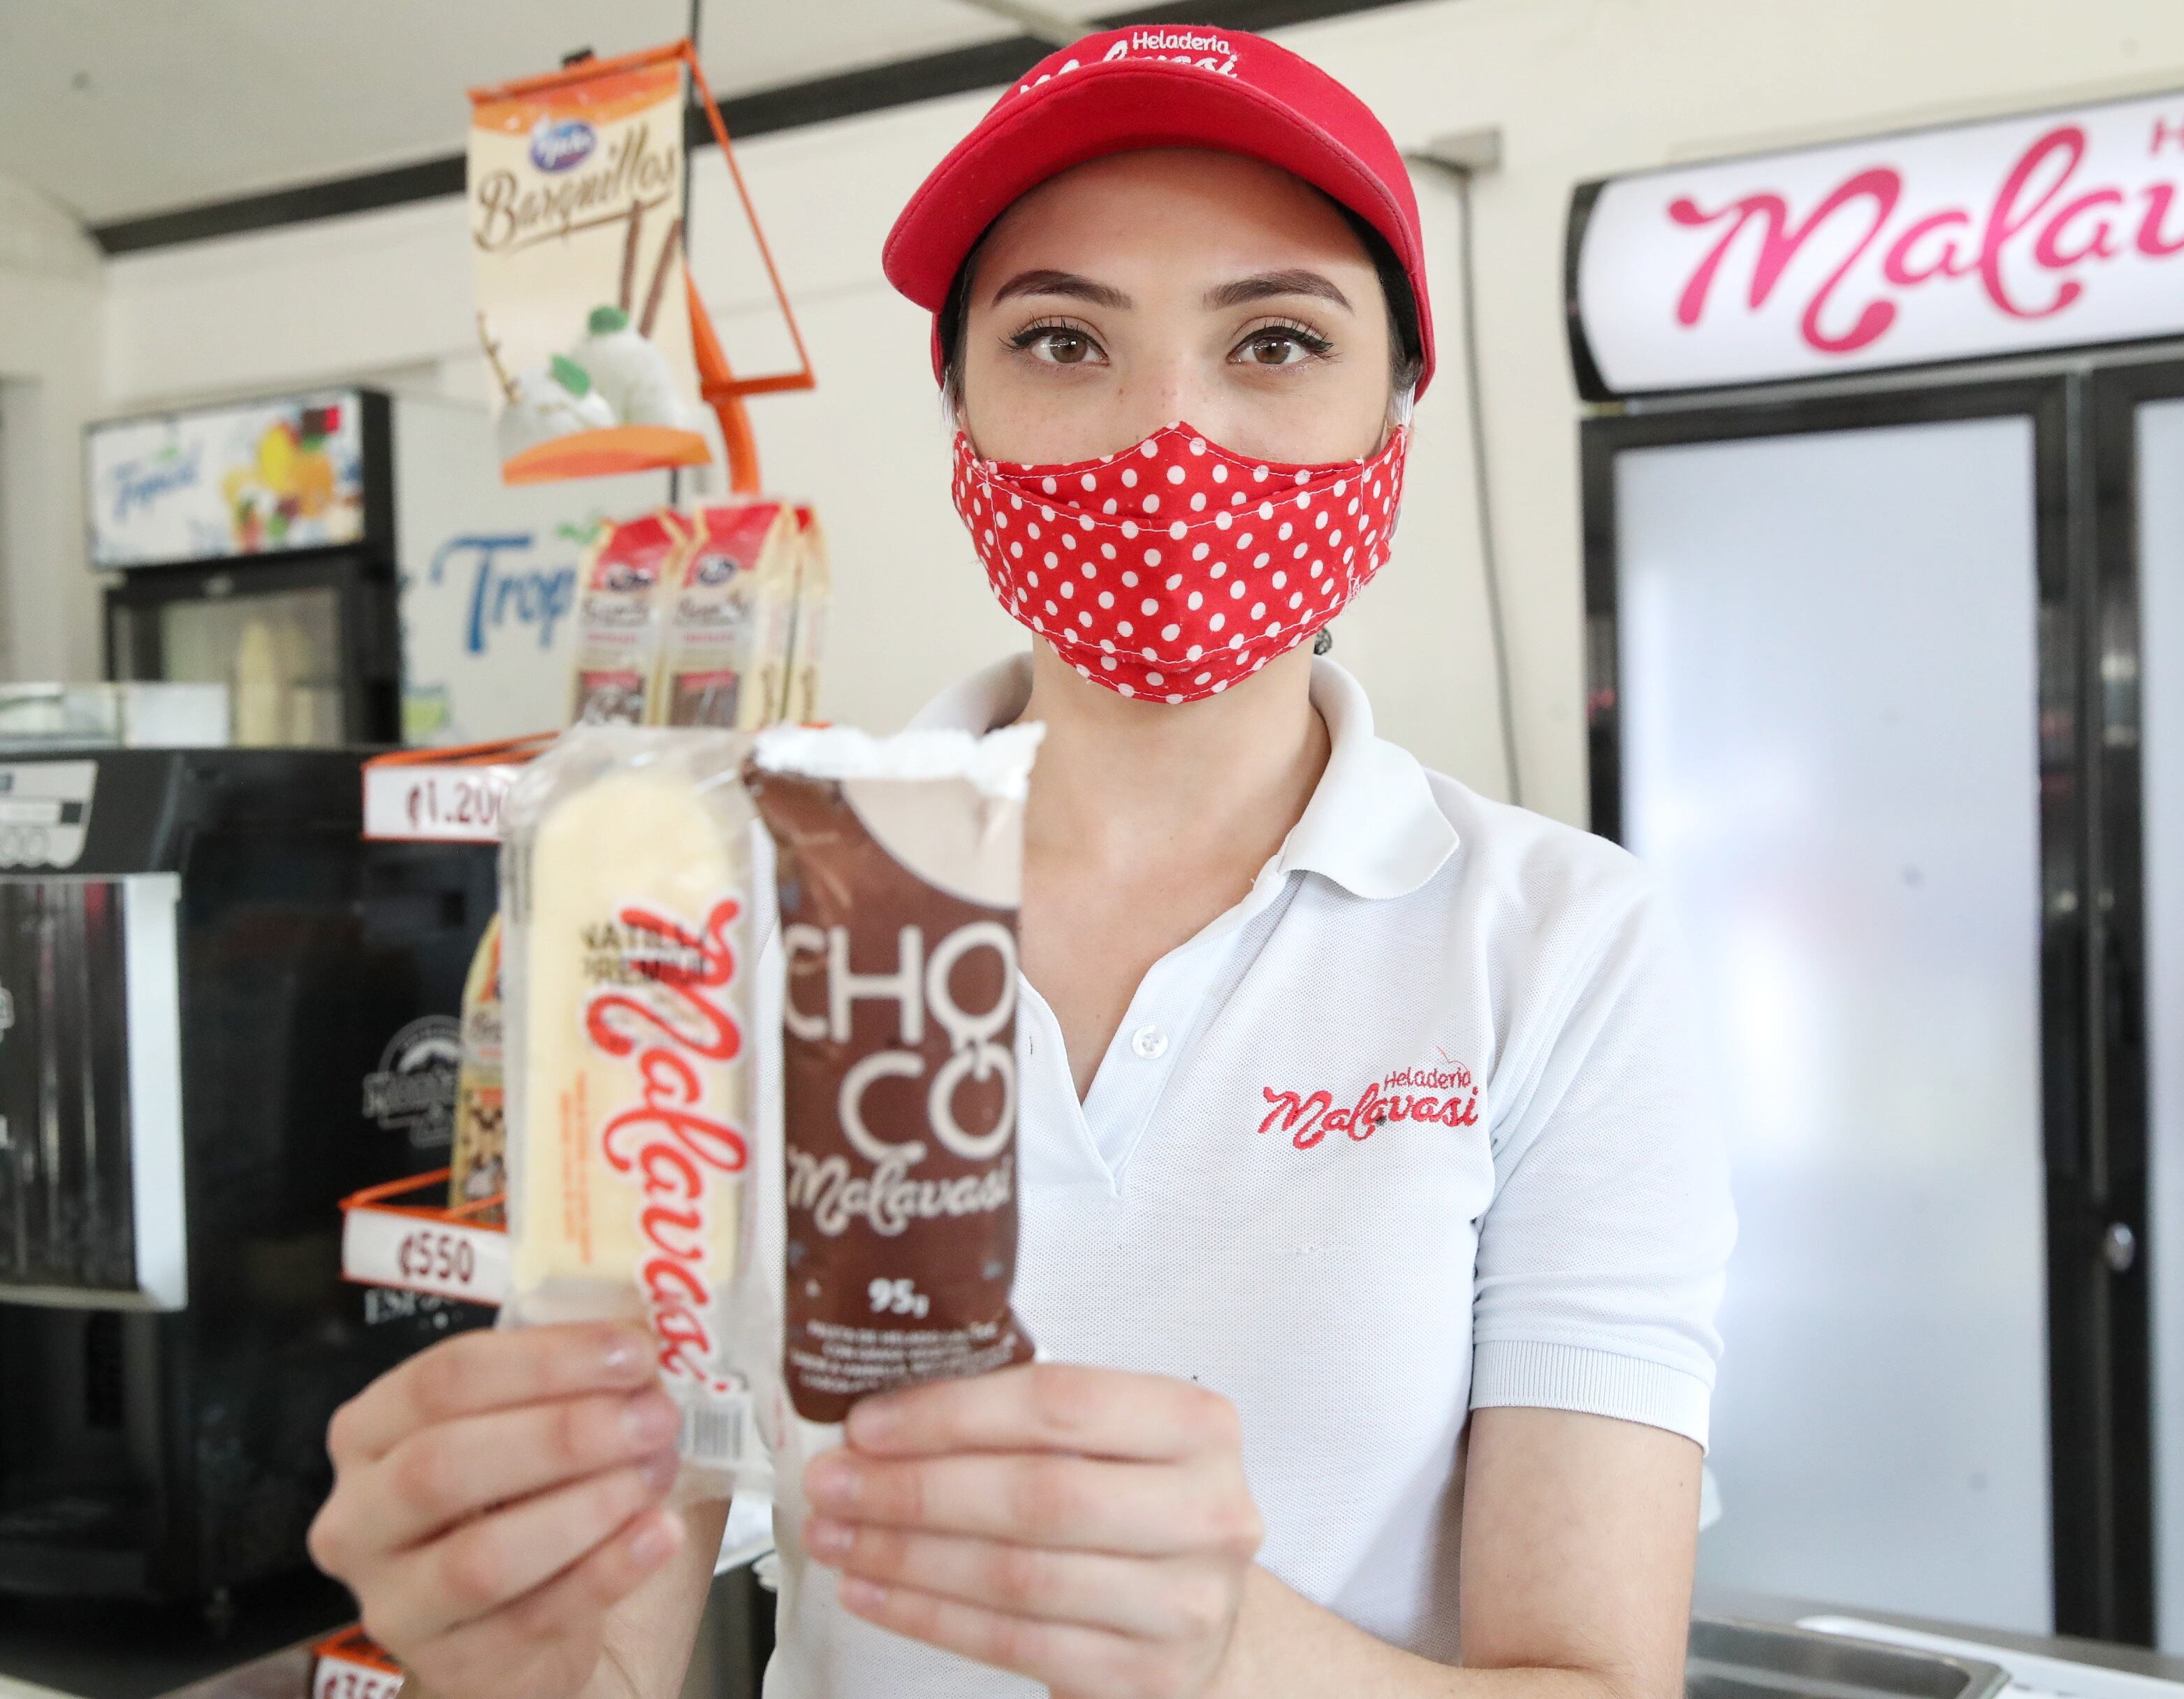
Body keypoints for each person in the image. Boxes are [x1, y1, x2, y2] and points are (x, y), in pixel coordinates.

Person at [310, 26, 1732, 1699]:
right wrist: (504, 1642)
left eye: (1277, 341)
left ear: (1395, 414)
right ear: (961, 416)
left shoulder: (1560, 944)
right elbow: (610, 1628)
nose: (1168, 441)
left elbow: (1598, 1678)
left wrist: (1234, 1651)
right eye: (1063, 339)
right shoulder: (729, 912)